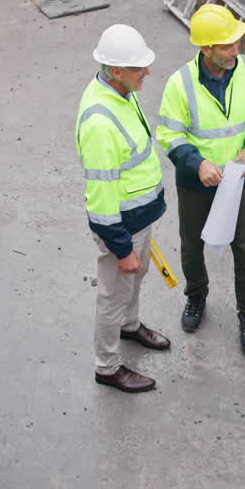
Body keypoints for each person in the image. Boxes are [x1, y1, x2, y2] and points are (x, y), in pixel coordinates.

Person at [156, 4, 245, 353]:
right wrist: (198, 163)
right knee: (192, 244)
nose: (235, 51)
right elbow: (168, 135)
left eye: (237, 43)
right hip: (196, 183)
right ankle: (196, 296)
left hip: (239, 181)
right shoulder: (180, 84)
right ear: (205, 48)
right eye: (226, 46)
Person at [75, 24, 172, 393]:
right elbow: (100, 197)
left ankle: (130, 327)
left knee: (135, 279)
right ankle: (108, 366)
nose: (146, 72)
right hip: (121, 227)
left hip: (139, 218)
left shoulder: (121, 91)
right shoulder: (100, 123)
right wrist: (121, 247)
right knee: (113, 296)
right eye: (138, 68)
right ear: (115, 71)